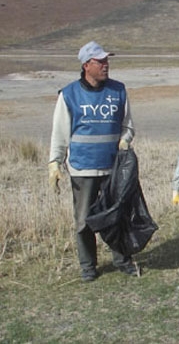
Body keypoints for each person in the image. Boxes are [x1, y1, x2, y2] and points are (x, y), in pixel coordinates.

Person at [48, 40, 137, 282]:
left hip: (113, 167)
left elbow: (127, 125)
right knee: (83, 220)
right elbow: (59, 132)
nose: (106, 65)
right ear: (86, 65)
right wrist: (54, 162)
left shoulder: (118, 90)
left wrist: (125, 140)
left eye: (107, 60)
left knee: (117, 214)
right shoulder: (69, 95)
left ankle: (122, 259)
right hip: (82, 168)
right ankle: (88, 267)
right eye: (101, 61)